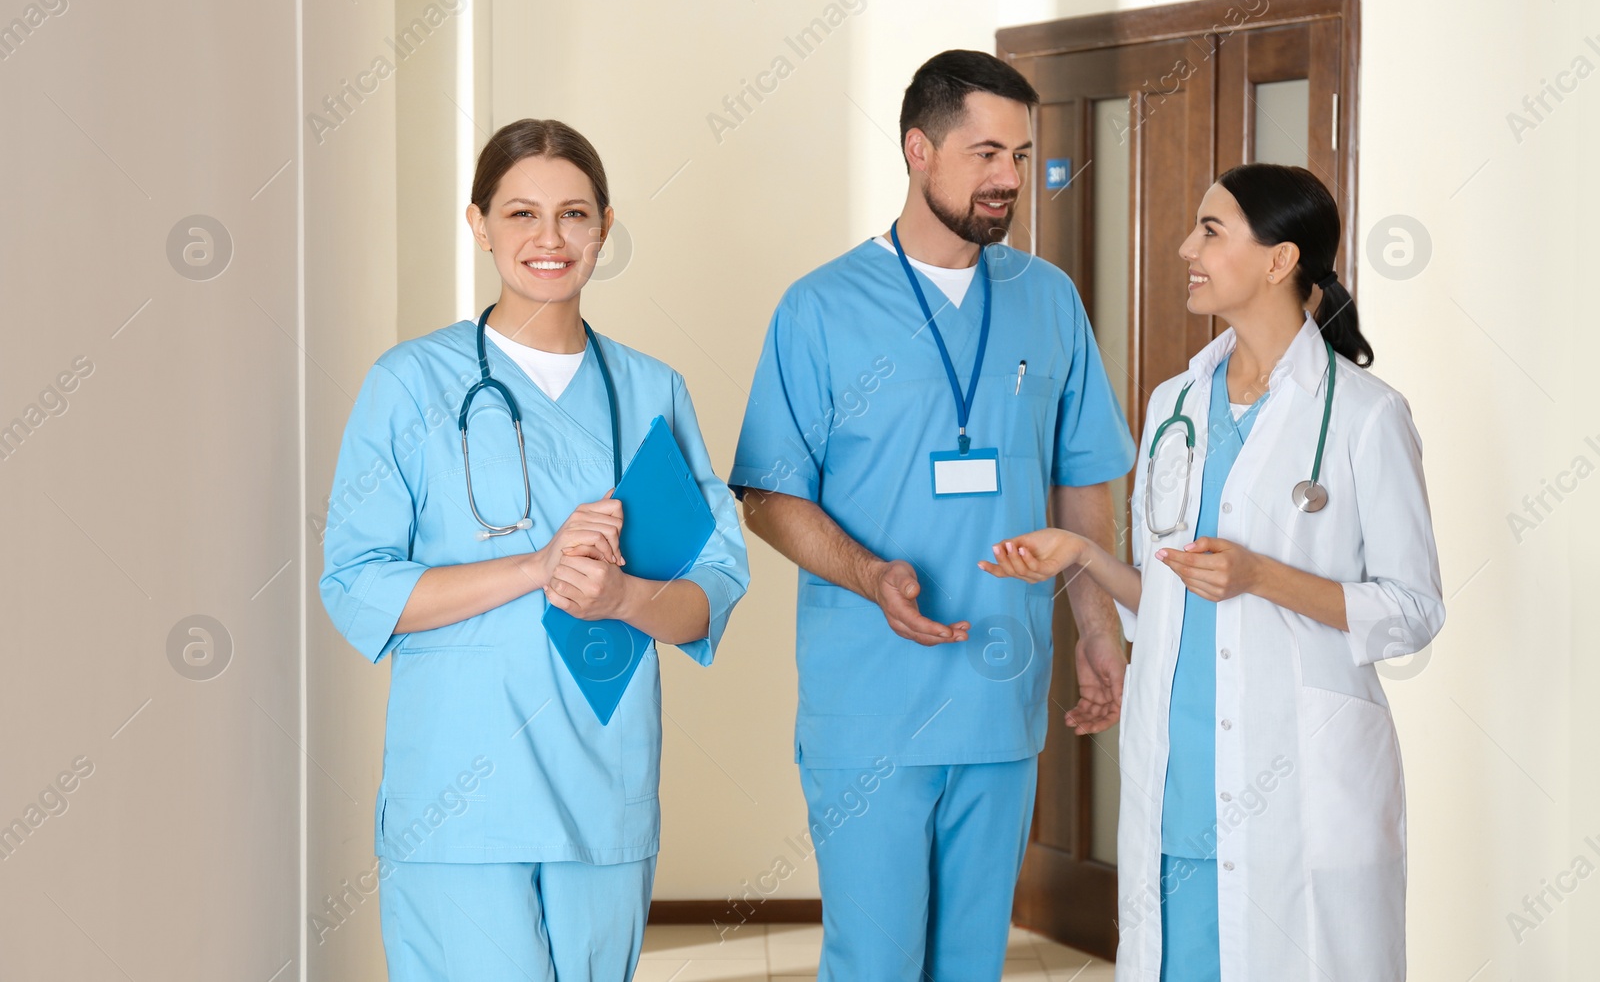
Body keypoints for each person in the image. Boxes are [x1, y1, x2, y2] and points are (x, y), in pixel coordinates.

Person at [728, 49, 1137, 981]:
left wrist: (1096, 625)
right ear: (919, 149)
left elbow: (1081, 479)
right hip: (870, 701)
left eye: (1024, 157)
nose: (1009, 179)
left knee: (969, 964)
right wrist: (869, 575)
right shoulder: (822, 307)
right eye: (986, 152)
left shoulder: (1048, 300)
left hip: (1000, 696)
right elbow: (769, 494)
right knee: (875, 961)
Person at [982, 163, 1445, 981]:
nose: (1184, 247)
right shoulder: (1174, 404)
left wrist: (1264, 576)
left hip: (1297, 785)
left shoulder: (1368, 416)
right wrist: (1083, 553)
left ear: (1279, 260)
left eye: (1210, 230)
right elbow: (1169, 590)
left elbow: (1413, 610)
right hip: (1179, 782)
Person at [319, 118, 749, 982]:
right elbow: (356, 585)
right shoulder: (410, 384)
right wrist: (535, 566)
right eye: (521, 214)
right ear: (478, 225)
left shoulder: (649, 389)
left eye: (574, 215)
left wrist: (624, 599)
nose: (549, 239)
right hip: (461, 800)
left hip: (603, 789)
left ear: (604, 226)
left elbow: (716, 578)